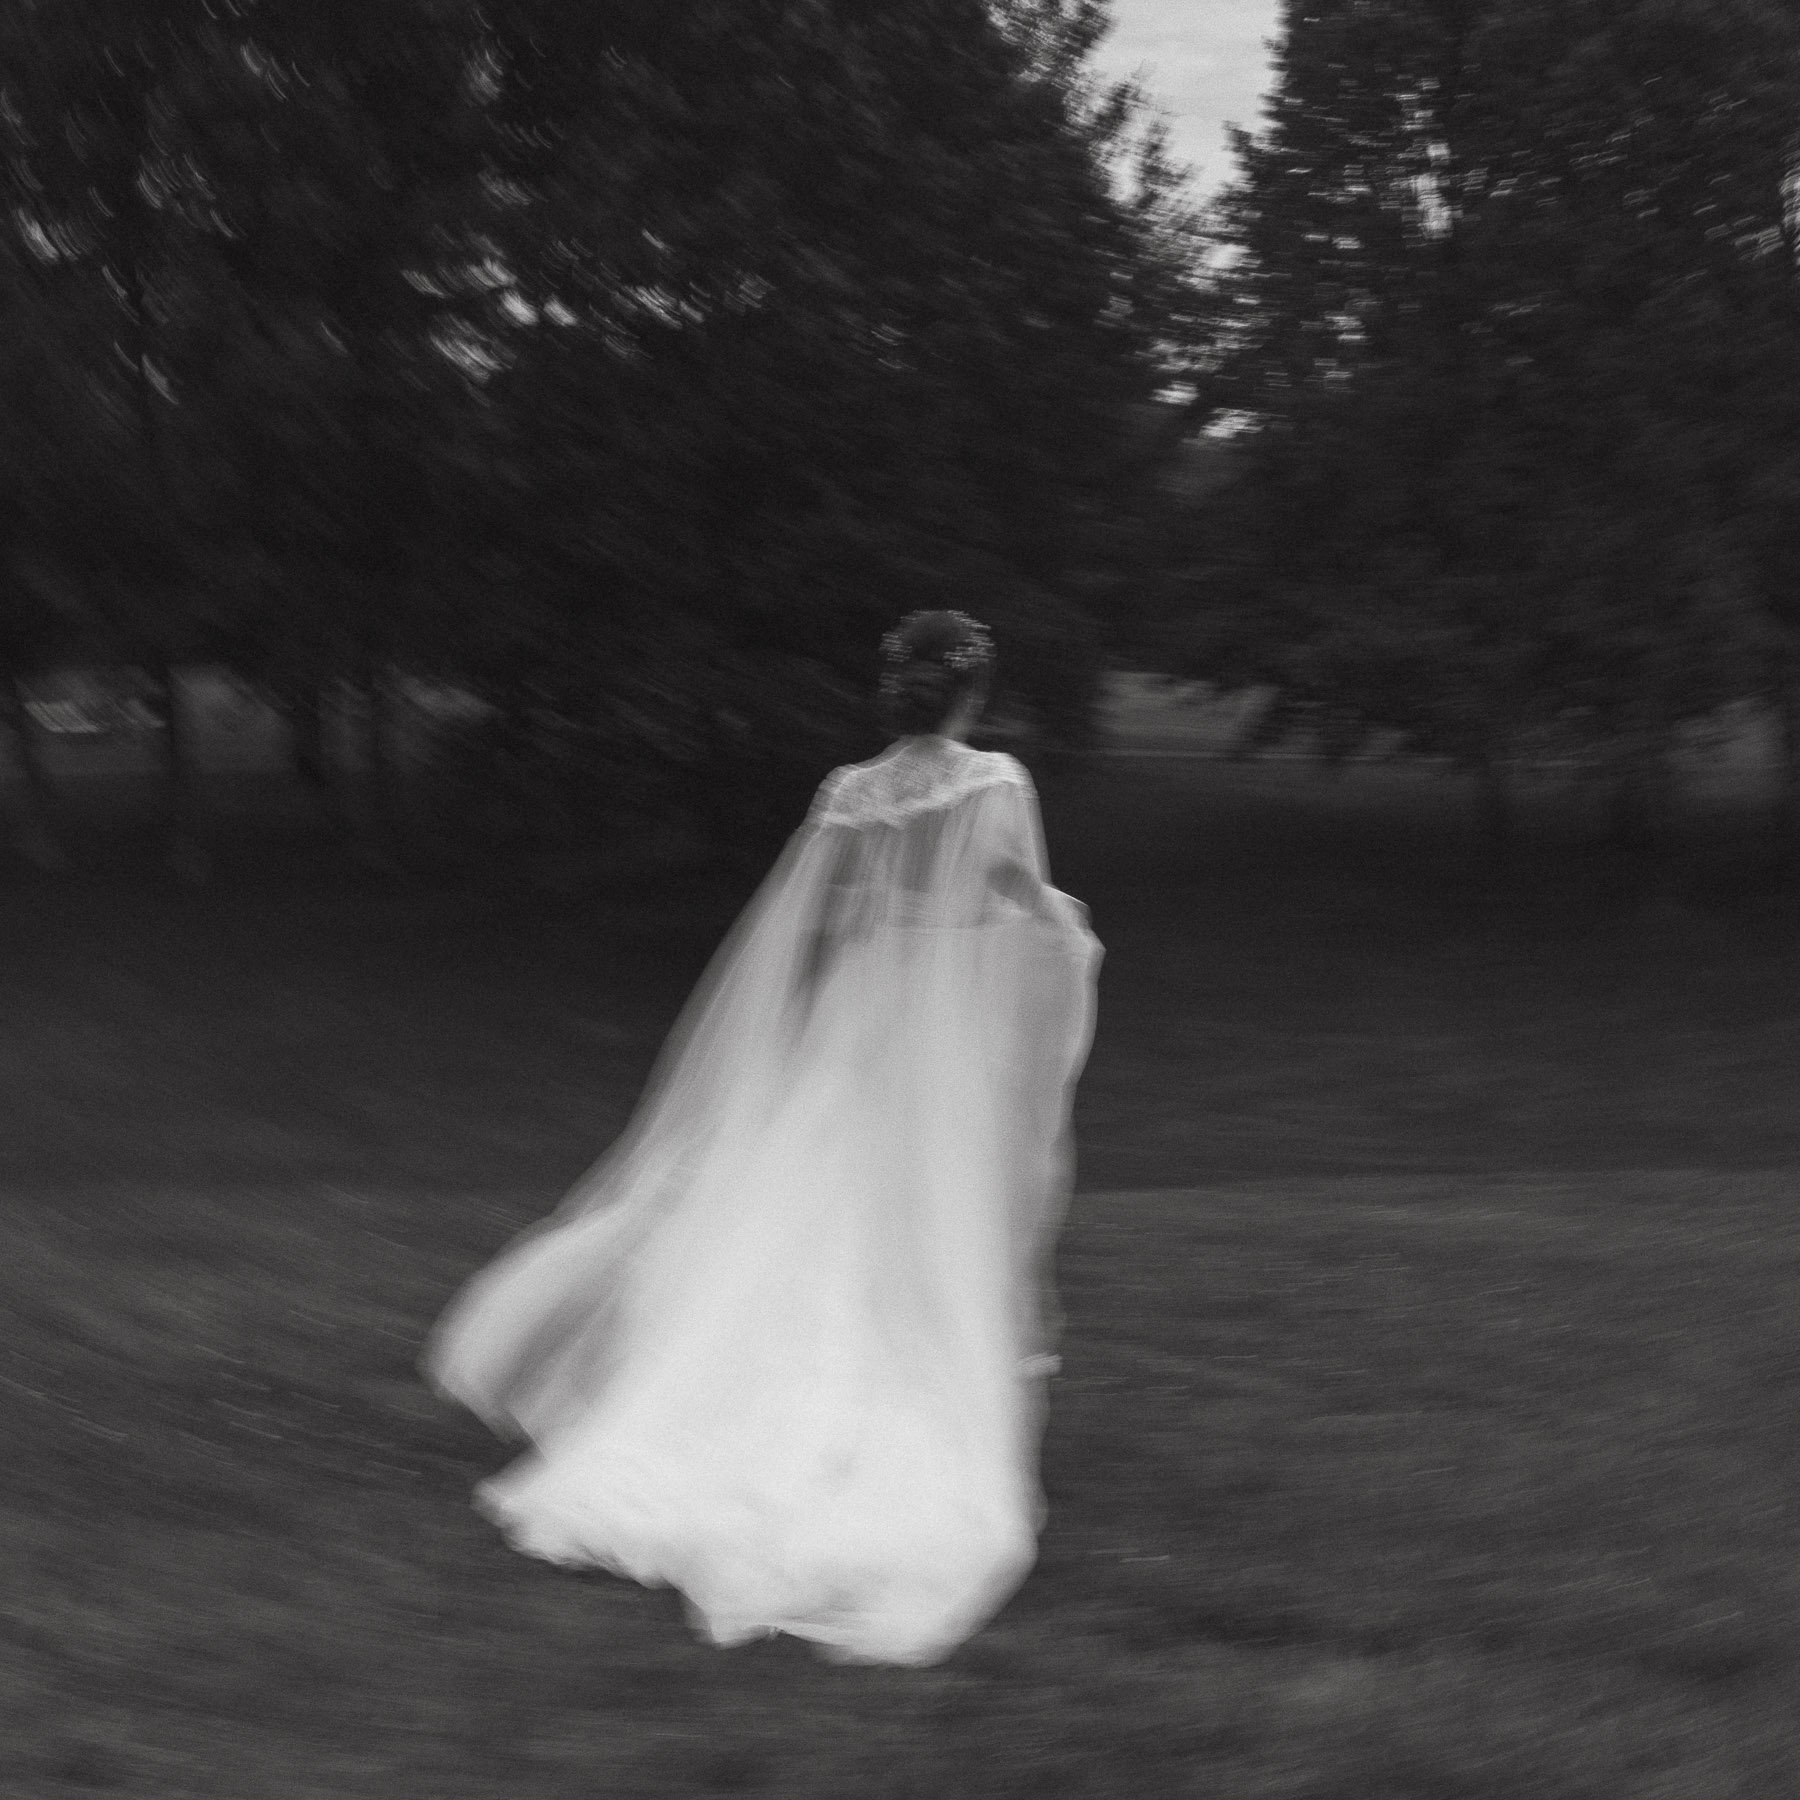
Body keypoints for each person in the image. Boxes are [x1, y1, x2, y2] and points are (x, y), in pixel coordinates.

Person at [421, 609, 1102, 1666]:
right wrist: (1065, 928)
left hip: (857, 1017)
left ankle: (723, 1400)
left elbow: (822, 922)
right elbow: (1007, 893)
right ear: (973, 693)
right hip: (937, 1033)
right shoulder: (996, 783)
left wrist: (823, 1014)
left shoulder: (850, 791)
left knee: (809, 1195)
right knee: (922, 1205)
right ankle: (890, 1398)